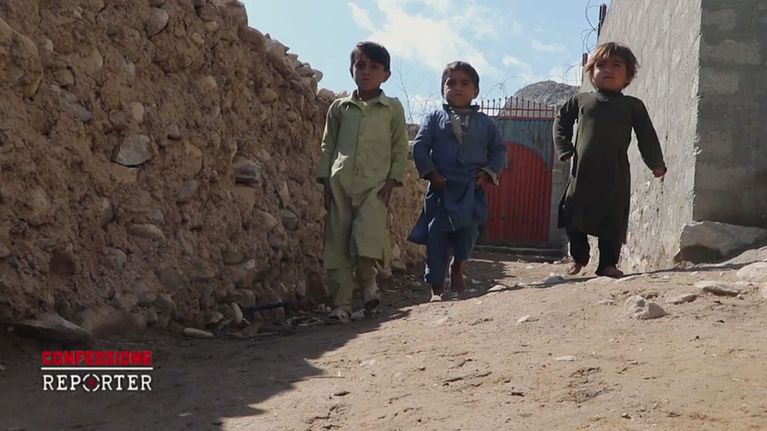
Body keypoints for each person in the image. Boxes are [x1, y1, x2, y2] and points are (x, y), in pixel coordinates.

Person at [554, 42, 667, 278]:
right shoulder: (581, 100)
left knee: (613, 221)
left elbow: (646, 135)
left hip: (615, 175)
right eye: (601, 65)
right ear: (591, 72)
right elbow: (561, 121)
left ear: (628, 75)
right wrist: (564, 147)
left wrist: (656, 163)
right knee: (571, 213)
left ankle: (608, 264)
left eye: (616, 65)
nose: (608, 70)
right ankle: (579, 256)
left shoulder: (632, 106)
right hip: (582, 174)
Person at [316, 41, 408, 324]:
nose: (366, 71)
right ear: (351, 70)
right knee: (338, 244)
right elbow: (327, 145)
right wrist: (325, 180)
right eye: (360, 65)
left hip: (375, 187)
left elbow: (399, 146)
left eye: (374, 67)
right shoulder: (339, 108)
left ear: (386, 75)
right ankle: (341, 305)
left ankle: (368, 285)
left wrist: (393, 180)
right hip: (340, 185)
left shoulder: (392, 108)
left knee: (366, 240)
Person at [409, 61, 507, 301]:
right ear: (442, 89)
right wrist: (431, 173)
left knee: (469, 231)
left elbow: (498, 151)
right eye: (450, 83)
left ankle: (458, 266)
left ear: (476, 91)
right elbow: (420, 146)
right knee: (436, 235)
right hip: (441, 189)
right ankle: (436, 286)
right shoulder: (434, 118)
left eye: (465, 83)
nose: (457, 88)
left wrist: (486, 173)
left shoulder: (486, 123)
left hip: (471, 189)